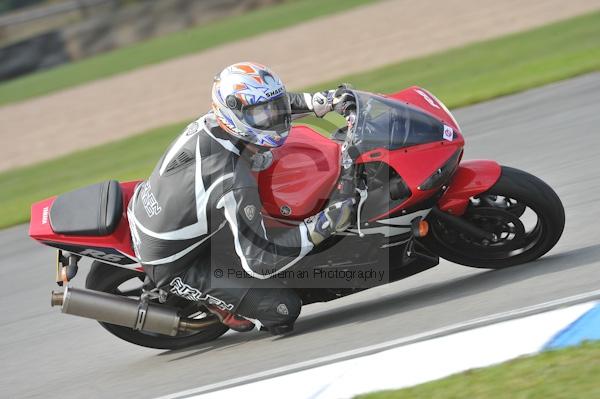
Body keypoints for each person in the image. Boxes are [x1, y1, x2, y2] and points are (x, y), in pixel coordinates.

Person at [127, 62, 355, 335]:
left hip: (157, 207)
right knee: (283, 309)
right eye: (261, 113)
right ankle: (219, 305)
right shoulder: (232, 180)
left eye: (273, 107)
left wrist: (326, 100)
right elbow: (260, 261)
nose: (272, 118)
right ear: (235, 115)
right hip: (174, 263)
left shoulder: (216, 120)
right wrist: (327, 222)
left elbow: (277, 105)